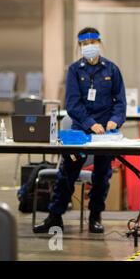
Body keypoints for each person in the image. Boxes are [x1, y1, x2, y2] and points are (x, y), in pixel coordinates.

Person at [33, 27, 126, 234]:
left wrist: (114, 120)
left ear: (100, 44)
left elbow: (120, 102)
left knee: (102, 175)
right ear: (80, 47)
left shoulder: (112, 69)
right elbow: (73, 104)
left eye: (92, 43)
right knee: (67, 172)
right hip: (80, 131)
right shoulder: (75, 70)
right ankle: (55, 217)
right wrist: (90, 123)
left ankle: (95, 217)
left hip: (106, 135)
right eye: (84, 44)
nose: (89, 47)